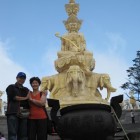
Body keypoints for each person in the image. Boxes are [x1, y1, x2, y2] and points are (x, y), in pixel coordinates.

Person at [6, 72, 29, 140]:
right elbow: (13, 97)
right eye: (20, 77)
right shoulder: (11, 87)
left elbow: (31, 97)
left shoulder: (26, 89)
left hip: (24, 113)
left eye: (23, 78)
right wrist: (25, 98)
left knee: (23, 135)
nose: (22, 79)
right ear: (16, 78)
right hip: (13, 113)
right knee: (12, 135)